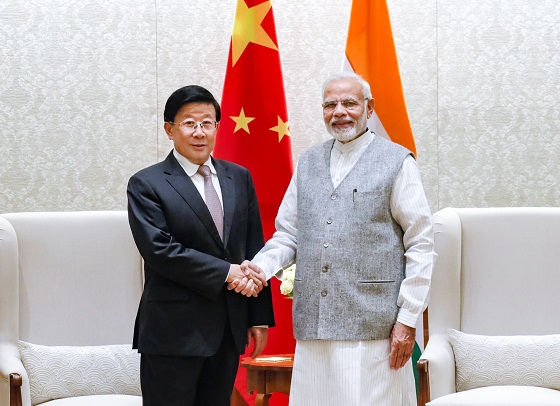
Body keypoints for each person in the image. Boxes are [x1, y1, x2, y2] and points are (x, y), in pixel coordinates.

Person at [233, 72, 436, 405]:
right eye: (330, 105)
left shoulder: (397, 161)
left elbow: (421, 244)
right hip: (314, 328)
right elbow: (288, 234)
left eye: (349, 103)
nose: (339, 112)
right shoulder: (308, 162)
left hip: (374, 329)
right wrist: (258, 269)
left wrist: (407, 318)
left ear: (369, 108)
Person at [127, 85, 274, 406]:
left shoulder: (239, 177)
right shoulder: (147, 183)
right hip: (172, 333)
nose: (199, 132)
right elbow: (159, 250)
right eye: (189, 123)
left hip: (227, 329)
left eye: (207, 123)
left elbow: (253, 248)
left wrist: (258, 317)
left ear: (217, 127)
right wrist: (228, 272)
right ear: (169, 129)